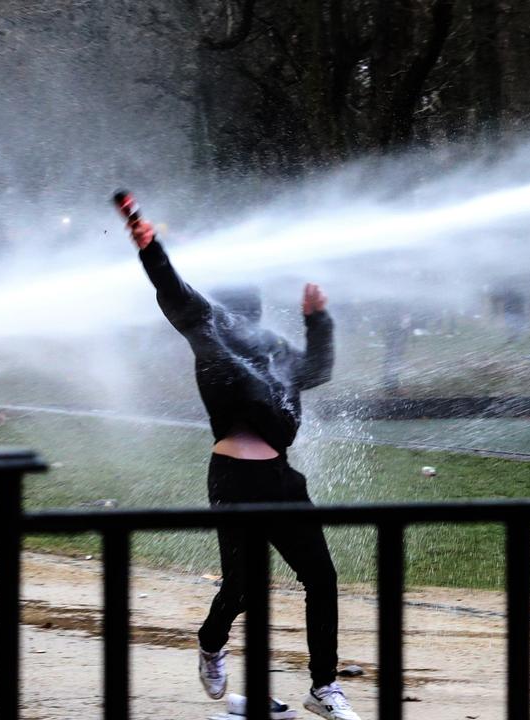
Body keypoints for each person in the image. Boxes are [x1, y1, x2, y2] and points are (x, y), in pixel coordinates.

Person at [118, 204, 361, 720]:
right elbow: (175, 295)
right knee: (244, 586)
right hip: (234, 477)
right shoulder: (208, 338)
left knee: (321, 576)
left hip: (281, 478)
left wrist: (318, 320)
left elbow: (316, 369)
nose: (243, 315)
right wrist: (150, 249)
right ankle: (211, 642)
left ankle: (323, 688)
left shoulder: (269, 347)